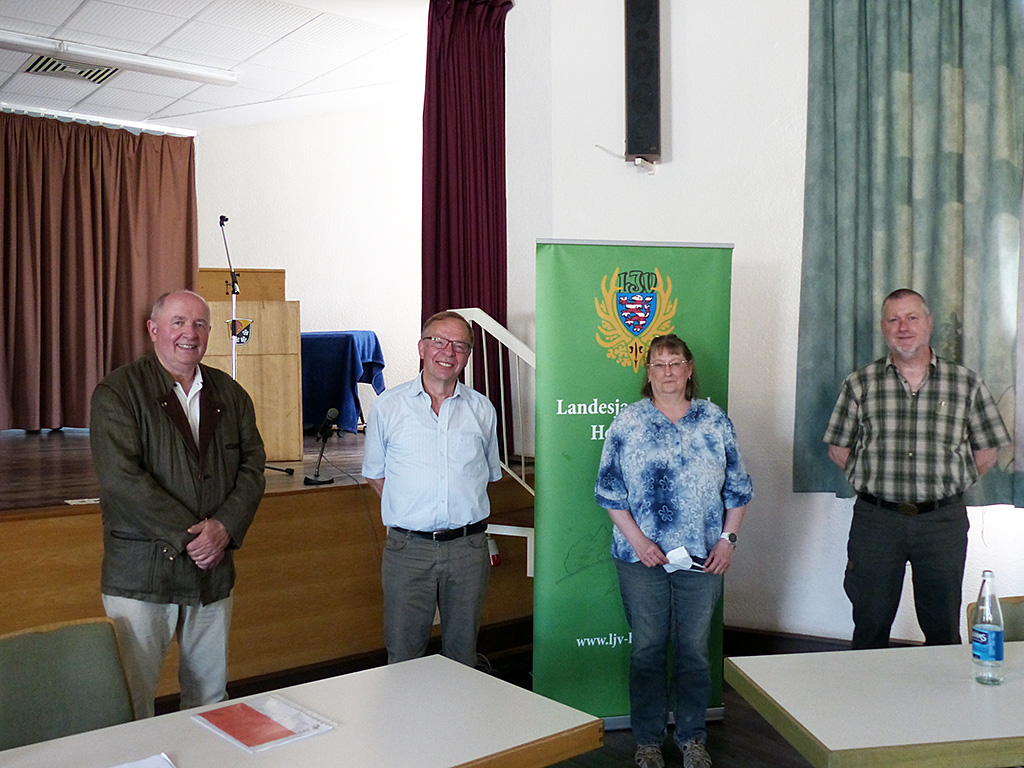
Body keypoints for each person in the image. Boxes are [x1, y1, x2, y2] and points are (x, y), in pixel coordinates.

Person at [90, 290, 266, 718]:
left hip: (212, 572)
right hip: (142, 575)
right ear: (153, 330)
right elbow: (121, 480)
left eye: (200, 324)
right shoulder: (118, 392)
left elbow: (253, 466)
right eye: (179, 322)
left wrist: (223, 527)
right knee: (132, 702)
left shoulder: (229, 392)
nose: (190, 333)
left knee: (210, 700)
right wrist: (193, 538)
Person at [595, 334, 753, 768]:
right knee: (647, 648)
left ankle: (692, 739)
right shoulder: (629, 423)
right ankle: (647, 741)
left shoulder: (714, 421)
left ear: (689, 369)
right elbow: (609, 493)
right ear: (648, 373)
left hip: (704, 557)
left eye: (675, 363)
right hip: (641, 558)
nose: (667, 372)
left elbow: (738, 489)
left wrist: (728, 539)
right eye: (658, 364)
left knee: (693, 650)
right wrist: (640, 541)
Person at [824, 288, 1010, 649]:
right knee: (870, 624)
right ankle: (868, 702)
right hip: (877, 523)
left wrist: (950, 483)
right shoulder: (860, 384)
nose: (903, 327)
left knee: (942, 627)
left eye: (911, 318)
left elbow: (987, 451)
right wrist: (875, 484)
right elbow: (838, 449)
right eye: (894, 319)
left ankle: (939, 705)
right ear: (883, 328)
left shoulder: (965, 383)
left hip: (942, 523)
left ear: (928, 323)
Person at [362, 311, 501, 666]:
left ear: (467, 356)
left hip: (468, 550)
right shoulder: (388, 407)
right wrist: (415, 511)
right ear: (422, 347)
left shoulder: (482, 410)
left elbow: (484, 475)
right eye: (439, 341)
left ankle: (459, 723)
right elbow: (376, 475)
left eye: (459, 346)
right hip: (408, 550)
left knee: (462, 655)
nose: (448, 352)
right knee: (404, 655)